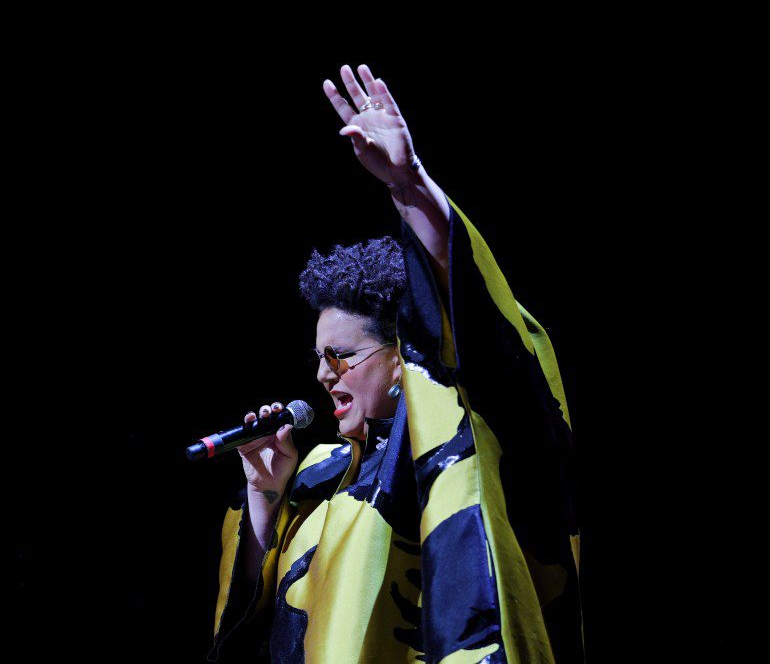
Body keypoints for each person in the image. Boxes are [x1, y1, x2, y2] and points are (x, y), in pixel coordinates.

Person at [208, 63, 584, 663]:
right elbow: (251, 626)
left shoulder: (444, 444)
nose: (323, 375)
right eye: (318, 358)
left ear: (401, 357)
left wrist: (410, 186)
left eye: (342, 356)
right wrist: (265, 497)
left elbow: (478, 332)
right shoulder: (317, 475)